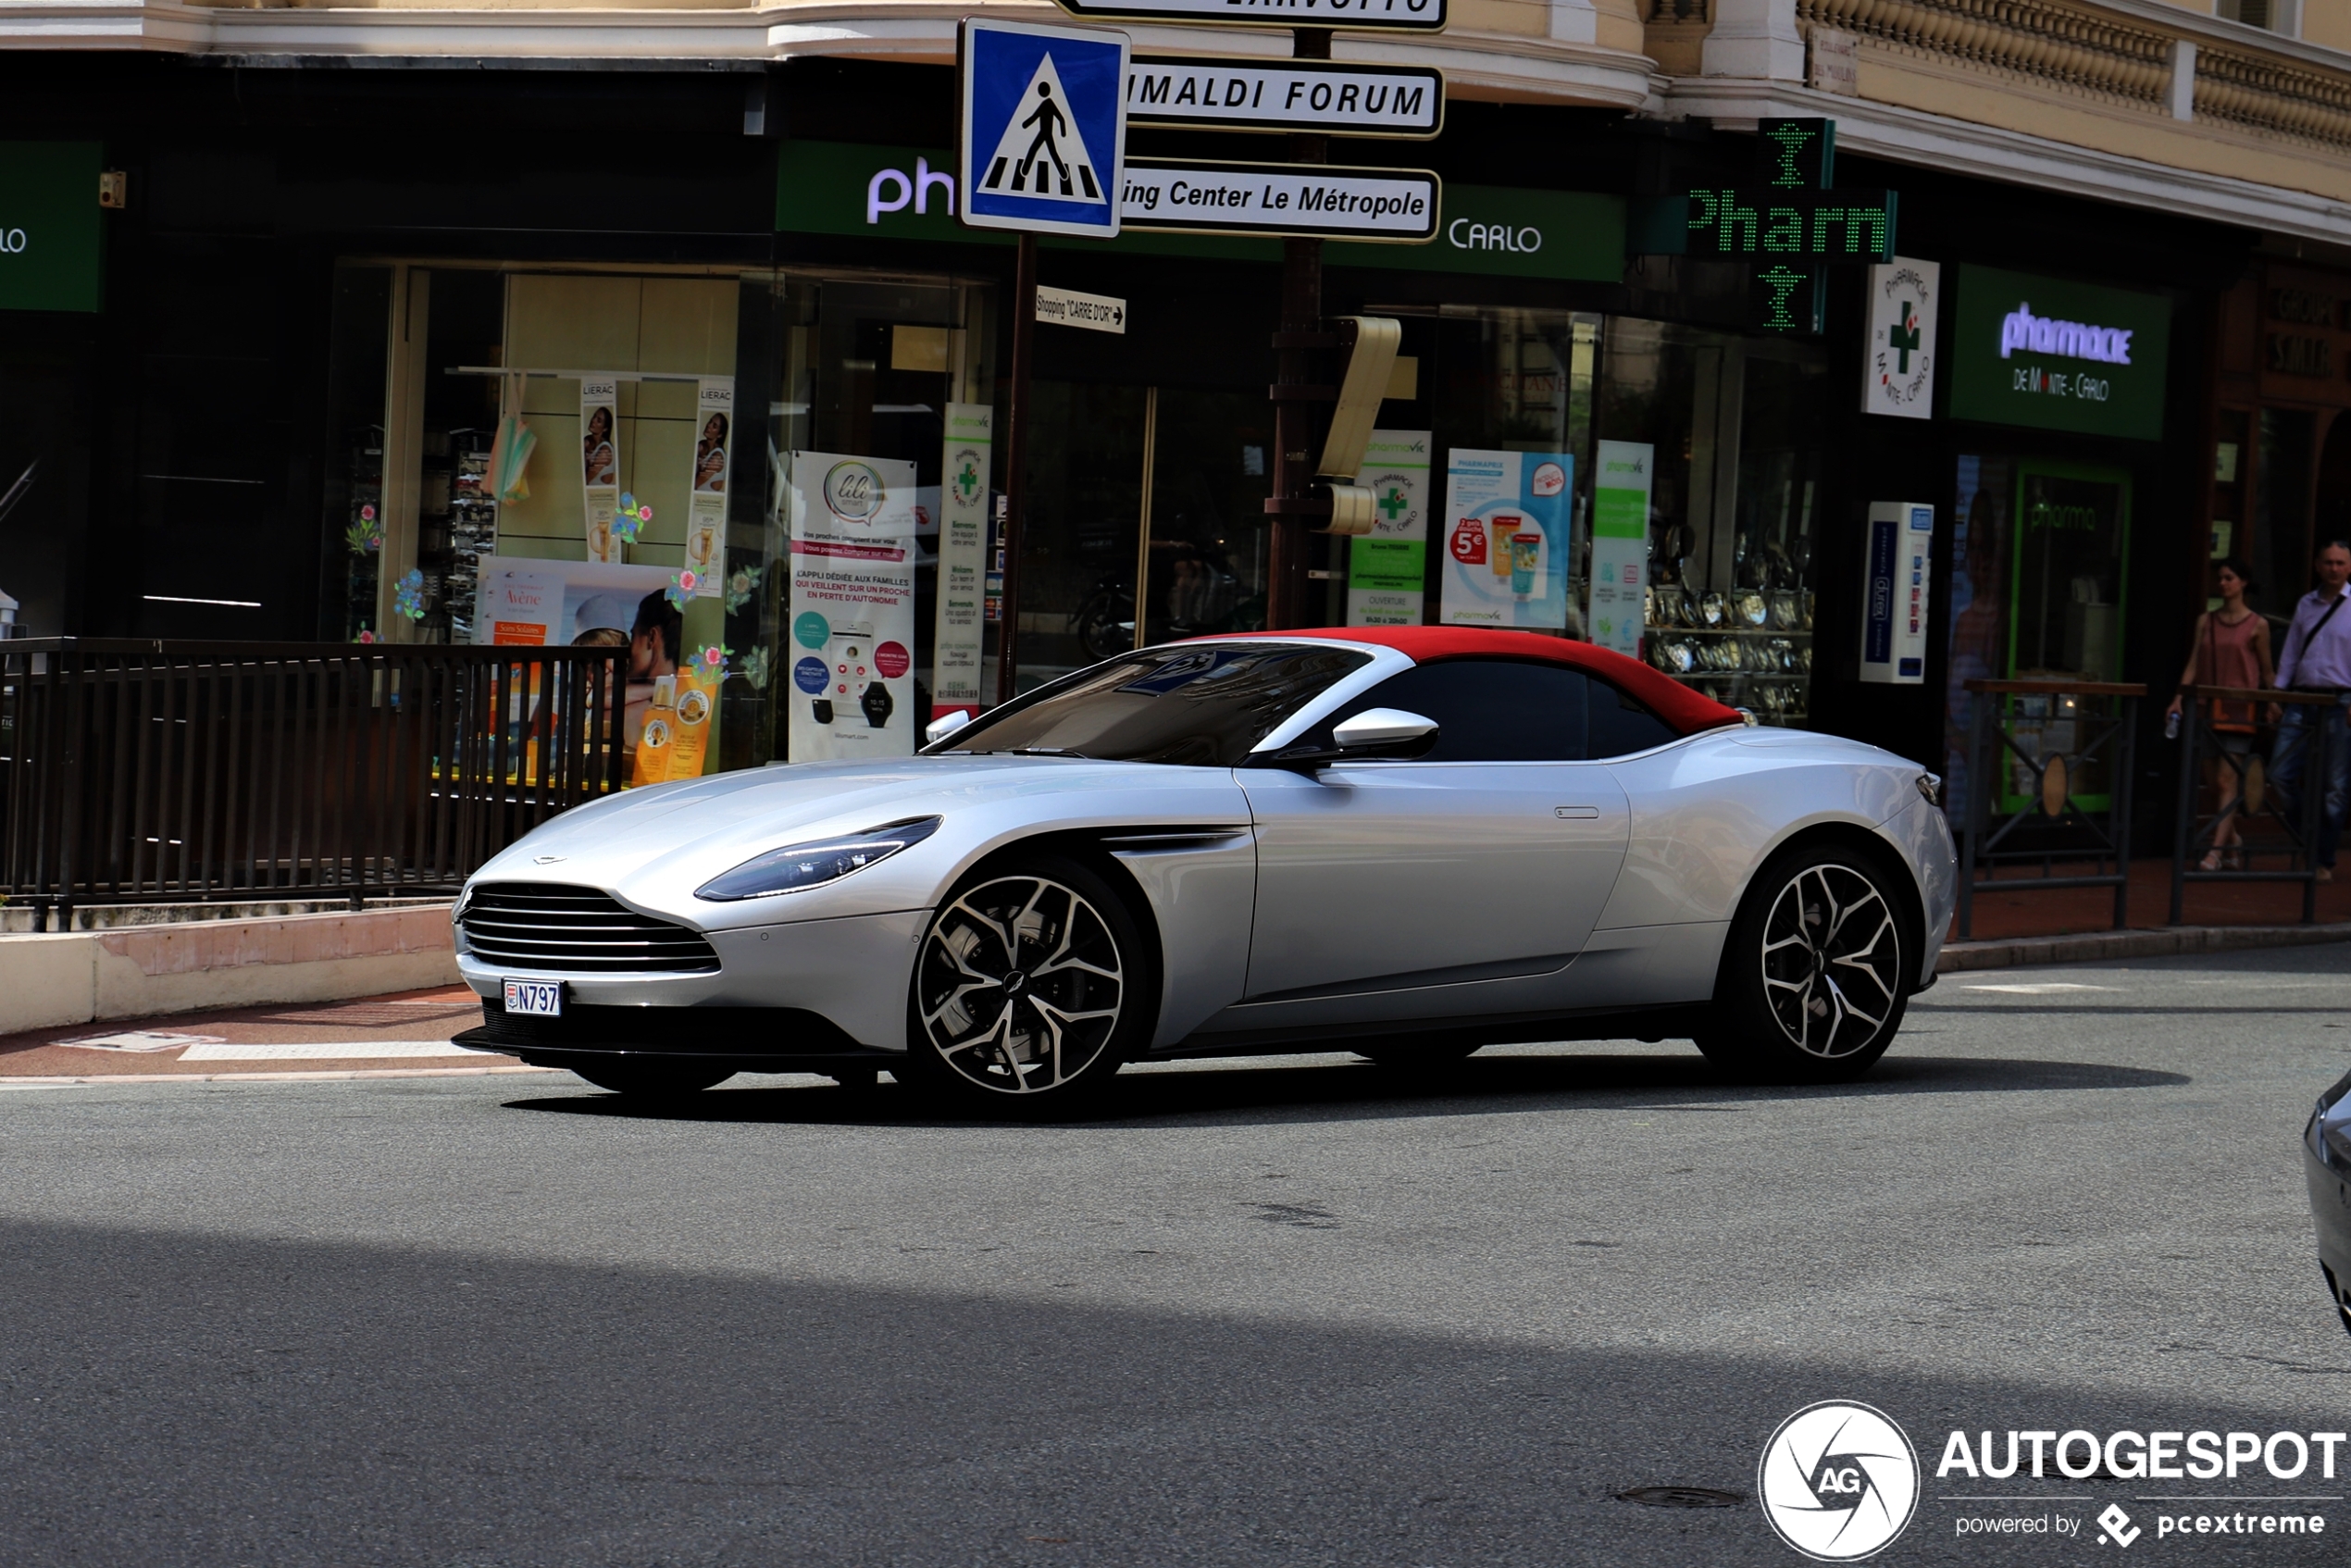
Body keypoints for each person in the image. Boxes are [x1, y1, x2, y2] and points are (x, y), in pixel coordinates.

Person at [2167, 556, 2274, 869]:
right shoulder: (2206, 621)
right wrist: (2177, 699)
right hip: (2207, 707)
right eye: (2221, 578)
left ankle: (2214, 850)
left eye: (2229, 578)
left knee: (2229, 780)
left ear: (2242, 583)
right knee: (2213, 783)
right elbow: (2193, 663)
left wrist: (2273, 702)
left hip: (2239, 709)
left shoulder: (2258, 625)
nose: (2223, 583)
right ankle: (2233, 838)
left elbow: (2267, 670)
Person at [2269, 539, 2351, 880]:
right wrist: (2276, 694)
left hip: (2341, 700)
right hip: (2302, 698)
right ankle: (2308, 837)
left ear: (2349, 567)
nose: (2333, 568)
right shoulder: (2306, 603)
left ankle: (2322, 858)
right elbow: (2290, 653)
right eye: (2328, 562)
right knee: (2280, 773)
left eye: (2340, 563)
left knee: (2335, 785)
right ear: (2317, 565)